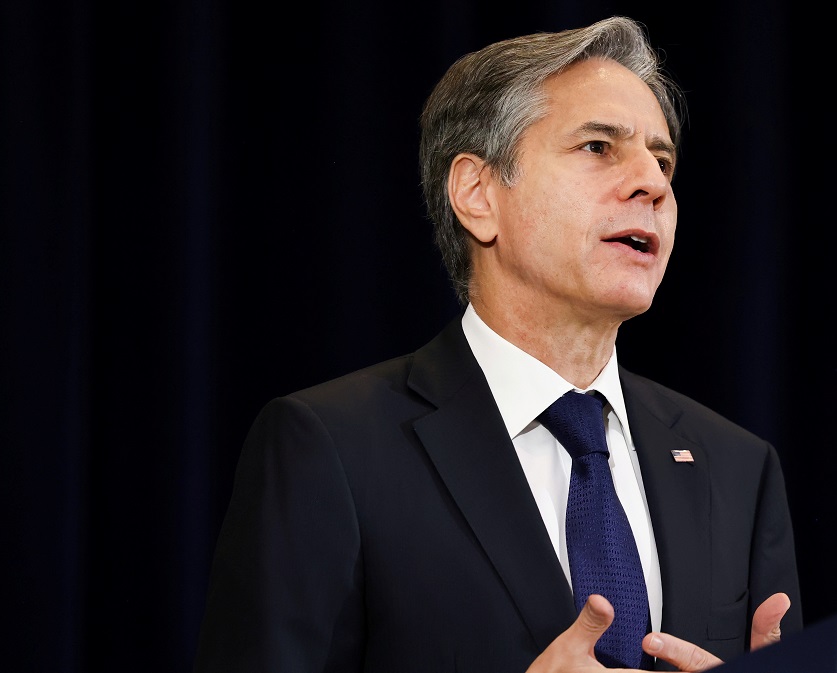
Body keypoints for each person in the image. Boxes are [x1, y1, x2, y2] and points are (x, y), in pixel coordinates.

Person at [193, 15, 802, 672]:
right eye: (599, 146)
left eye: (662, 160)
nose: (652, 184)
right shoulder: (330, 448)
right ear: (478, 194)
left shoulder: (736, 468)